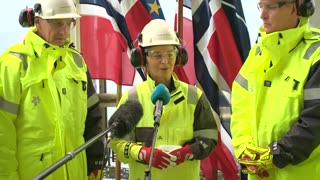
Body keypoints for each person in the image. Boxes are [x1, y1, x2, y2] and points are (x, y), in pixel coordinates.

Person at [0, 0, 105, 179]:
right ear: (37, 21)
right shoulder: (13, 64)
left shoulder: (77, 63)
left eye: (68, 23)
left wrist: (95, 164)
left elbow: (93, 119)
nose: (63, 30)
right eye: (57, 23)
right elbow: (3, 131)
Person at [111, 19, 219, 180]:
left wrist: (187, 153)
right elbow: (116, 142)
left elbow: (209, 138)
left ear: (179, 56)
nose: (165, 61)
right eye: (157, 55)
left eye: (170, 54)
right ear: (142, 58)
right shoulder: (132, 98)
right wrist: (142, 153)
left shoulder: (194, 97)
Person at [230, 0, 320, 179]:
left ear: (297, 8)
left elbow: (315, 118)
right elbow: (240, 107)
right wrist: (245, 150)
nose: (262, 14)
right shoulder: (257, 53)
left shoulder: (316, 53)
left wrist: (275, 154)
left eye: (271, 7)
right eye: (260, 6)